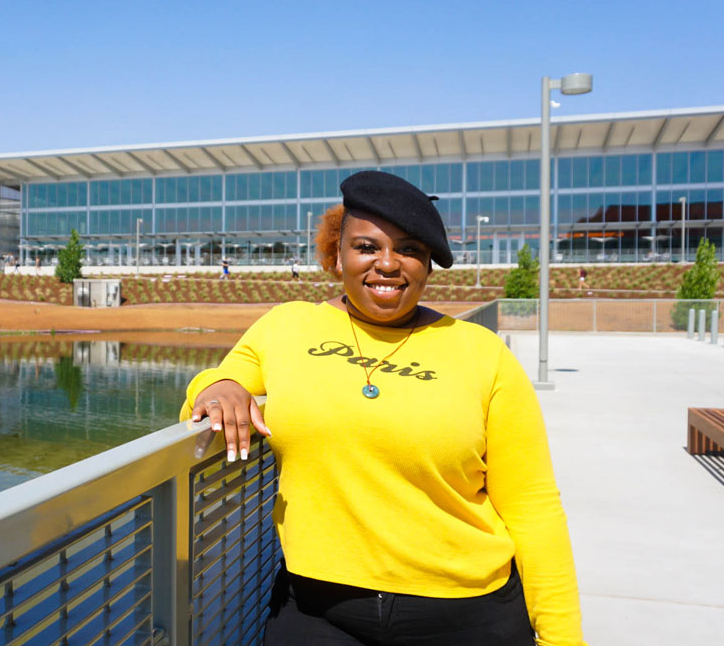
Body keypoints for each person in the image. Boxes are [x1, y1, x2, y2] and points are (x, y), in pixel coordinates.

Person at [183, 171, 584, 645]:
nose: (388, 264)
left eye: (410, 249)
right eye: (367, 247)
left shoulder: (482, 352)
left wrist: (564, 637)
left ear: (428, 265)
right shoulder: (287, 326)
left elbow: (533, 506)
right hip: (317, 611)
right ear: (337, 255)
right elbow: (213, 385)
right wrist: (220, 385)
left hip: (467, 614)